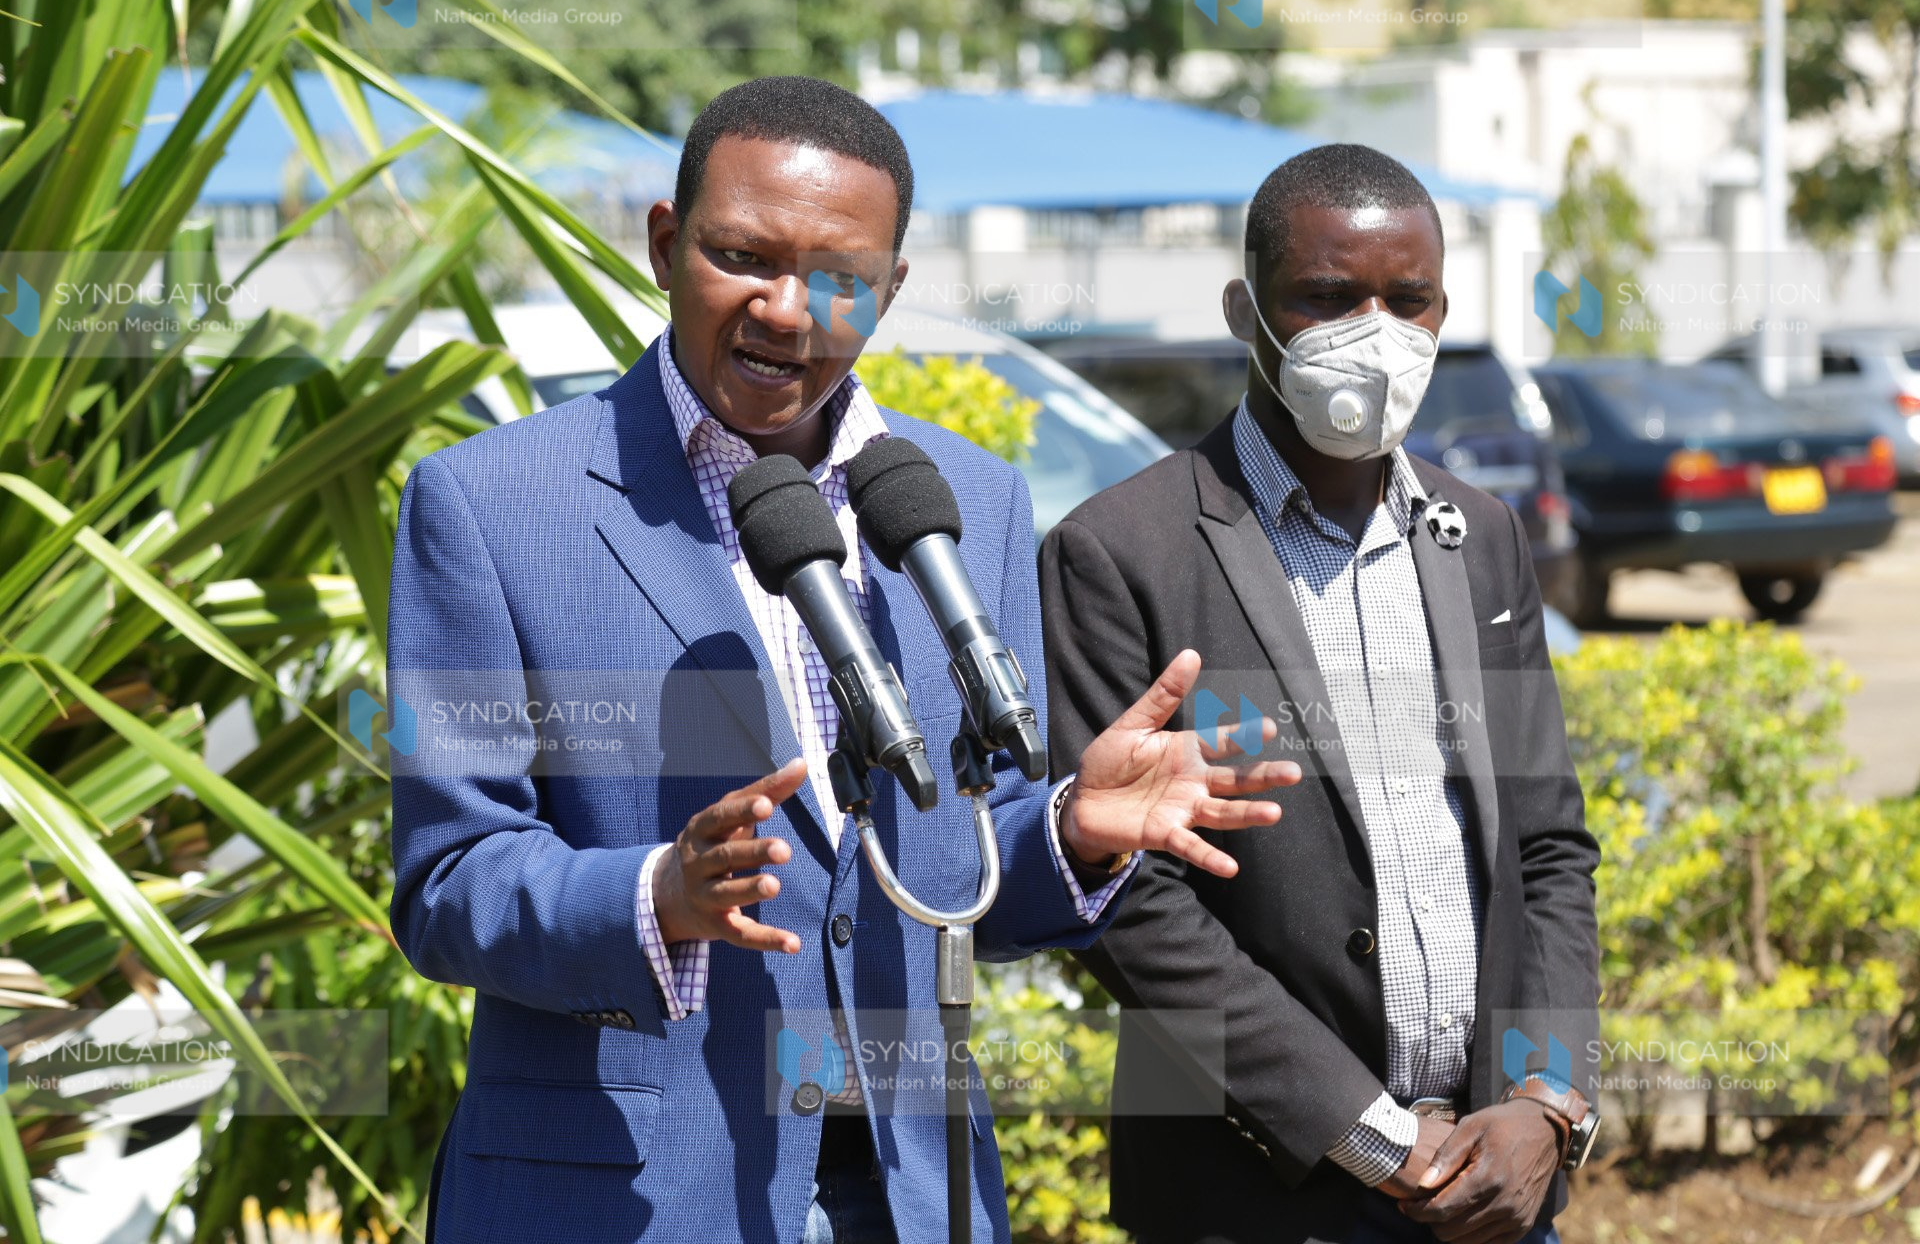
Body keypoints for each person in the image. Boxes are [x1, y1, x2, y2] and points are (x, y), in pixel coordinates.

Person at [387, 75, 1293, 1244]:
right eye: (741, 255)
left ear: (892, 288)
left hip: (912, 1193)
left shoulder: (968, 500)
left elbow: (956, 877)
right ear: (666, 245)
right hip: (627, 1197)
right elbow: (448, 881)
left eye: (840, 278)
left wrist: (1065, 829)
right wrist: (657, 895)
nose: (785, 307)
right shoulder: (492, 503)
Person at [1039, 143, 1602, 1244]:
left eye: (1411, 300)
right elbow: (1126, 902)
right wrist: (1370, 1135)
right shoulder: (1119, 551)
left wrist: (1545, 1102)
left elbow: (1546, 847)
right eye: (1330, 298)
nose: (1377, 333)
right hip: (1258, 1195)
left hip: (1497, 1184)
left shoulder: (1479, 536)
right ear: (1246, 308)